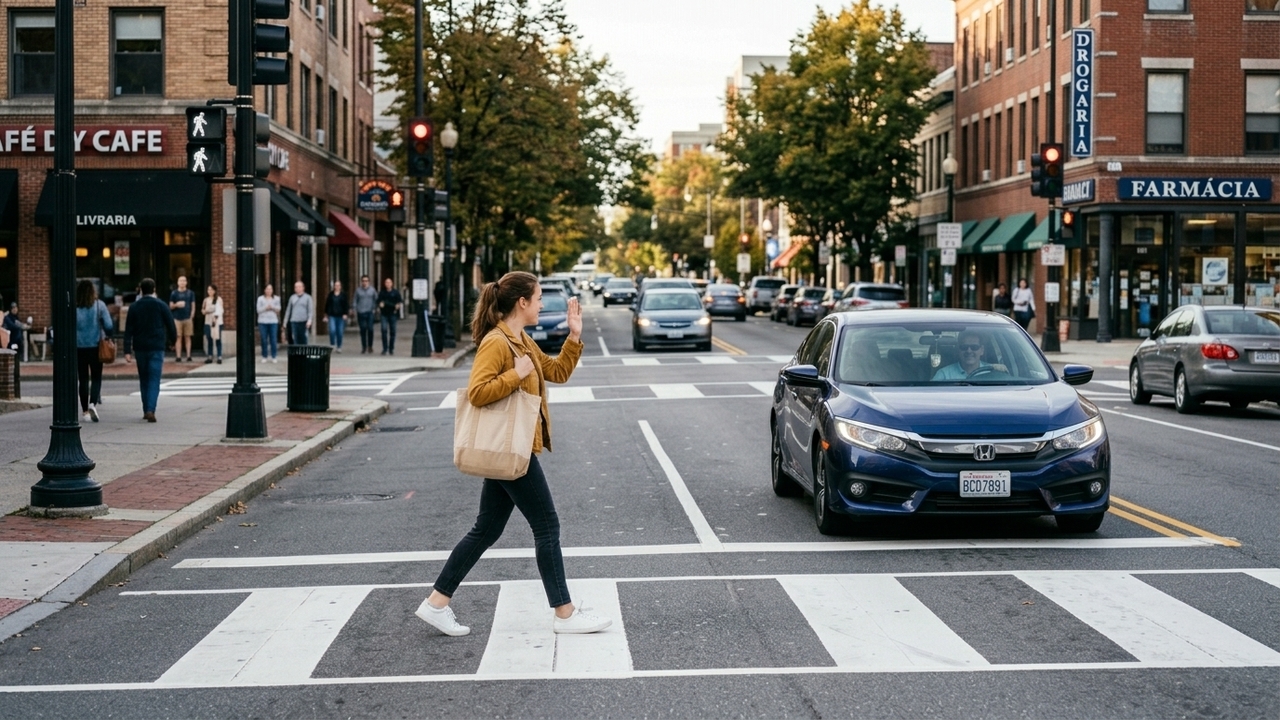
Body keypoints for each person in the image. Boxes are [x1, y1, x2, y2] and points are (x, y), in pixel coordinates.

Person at [416, 271, 610, 637]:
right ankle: (565, 614)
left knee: (486, 529)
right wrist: (515, 376)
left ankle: (436, 603)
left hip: (510, 450)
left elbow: (557, 371)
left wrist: (574, 336)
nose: (541, 305)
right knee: (547, 526)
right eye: (538, 299)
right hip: (512, 449)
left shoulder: (521, 340)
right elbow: (477, 392)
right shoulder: (497, 343)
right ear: (522, 302)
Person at [123, 278, 176, 422]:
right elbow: (171, 325)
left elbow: (128, 330)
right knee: (154, 378)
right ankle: (150, 409)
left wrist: (127, 350)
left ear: (141, 290)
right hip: (157, 346)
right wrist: (173, 341)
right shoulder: (161, 305)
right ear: (154, 289)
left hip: (140, 347)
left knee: (144, 378)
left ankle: (146, 407)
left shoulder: (134, 307)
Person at [75, 280, 113, 423]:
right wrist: (107, 333)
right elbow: (108, 325)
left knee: (83, 379)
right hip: (96, 346)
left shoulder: (74, 307)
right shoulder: (99, 305)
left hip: (79, 347)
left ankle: (84, 411)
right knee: (96, 377)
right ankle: (93, 404)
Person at [932, 331, 1005, 380]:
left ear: (982, 350)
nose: (969, 351)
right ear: (958, 350)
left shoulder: (993, 371)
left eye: (974, 347)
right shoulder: (944, 374)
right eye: (964, 347)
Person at [169, 275, 196, 363]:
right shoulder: (174, 293)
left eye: (184, 280)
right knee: (178, 337)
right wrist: (177, 305)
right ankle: (178, 356)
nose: (182, 282)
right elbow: (170, 306)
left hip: (188, 318)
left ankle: (188, 356)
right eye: (180, 280)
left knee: (188, 337)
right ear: (177, 282)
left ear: (186, 282)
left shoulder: (190, 293)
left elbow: (193, 305)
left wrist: (192, 315)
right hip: (177, 318)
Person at [377, 277, 403, 355]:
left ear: (392, 284)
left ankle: (391, 348)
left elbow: (400, 301)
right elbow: (378, 301)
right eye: (386, 283)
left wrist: (398, 305)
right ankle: (385, 348)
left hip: (393, 314)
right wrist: (380, 304)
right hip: (384, 314)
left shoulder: (395, 292)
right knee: (384, 330)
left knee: (393, 331)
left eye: (389, 283)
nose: (388, 284)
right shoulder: (382, 292)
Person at [283, 280, 314, 346]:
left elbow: (310, 310)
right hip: (294, 321)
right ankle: (297, 354)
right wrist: (285, 322)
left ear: (303, 288)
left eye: (299, 287)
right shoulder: (292, 298)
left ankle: (304, 354)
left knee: (303, 338)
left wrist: (309, 320)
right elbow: (288, 310)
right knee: (295, 338)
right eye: (296, 287)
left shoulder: (308, 298)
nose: (298, 288)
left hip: (304, 321)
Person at [256, 284, 281, 363]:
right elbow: (258, 310)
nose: (269, 291)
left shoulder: (276, 298)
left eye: (270, 289)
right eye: (267, 289)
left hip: (273, 321)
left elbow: (279, 309)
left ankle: (274, 356)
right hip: (262, 321)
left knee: (273, 339)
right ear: (264, 290)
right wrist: (265, 308)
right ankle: (264, 355)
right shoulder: (260, 299)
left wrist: (272, 307)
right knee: (264, 339)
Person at [324, 280, 350, 353]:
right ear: (334, 286)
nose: (337, 287)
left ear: (340, 287)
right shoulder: (331, 295)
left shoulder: (343, 295)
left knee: (340, 332)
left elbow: (346, 305)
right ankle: (332, 344)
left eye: (338, 285)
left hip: (341, 316)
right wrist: (326, 314)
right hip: (332, 315)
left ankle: (339, 346)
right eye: (336, 285)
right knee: (332, 330)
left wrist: (345, 313)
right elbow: (327, 305)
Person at [353, 275, 377, 354]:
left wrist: (374, 308)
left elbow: (376, 299)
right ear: (361, 282)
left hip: (370, 312)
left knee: (370, 329)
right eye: (363, 281)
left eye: (366, 281)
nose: (365, 282)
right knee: (363, 329)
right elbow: (355, 300)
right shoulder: (358, 291)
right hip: (361, 312)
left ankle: (370, 346)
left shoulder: (372, 290)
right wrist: (355, 309)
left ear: (369, 282)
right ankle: (364, 347)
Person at [202, 284, 224, 364]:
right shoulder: (206, 300)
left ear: (214, 291)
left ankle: (219, 356)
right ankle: (210, 356)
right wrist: (207, 311)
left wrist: (210, 311)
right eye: (208, 290)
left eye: (211, 290)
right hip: (208, 321)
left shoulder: (218, 299)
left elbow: (220, 310)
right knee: (209, 339)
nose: (209, 291)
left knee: (218, 339)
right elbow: (203, 310)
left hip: (217, 322)